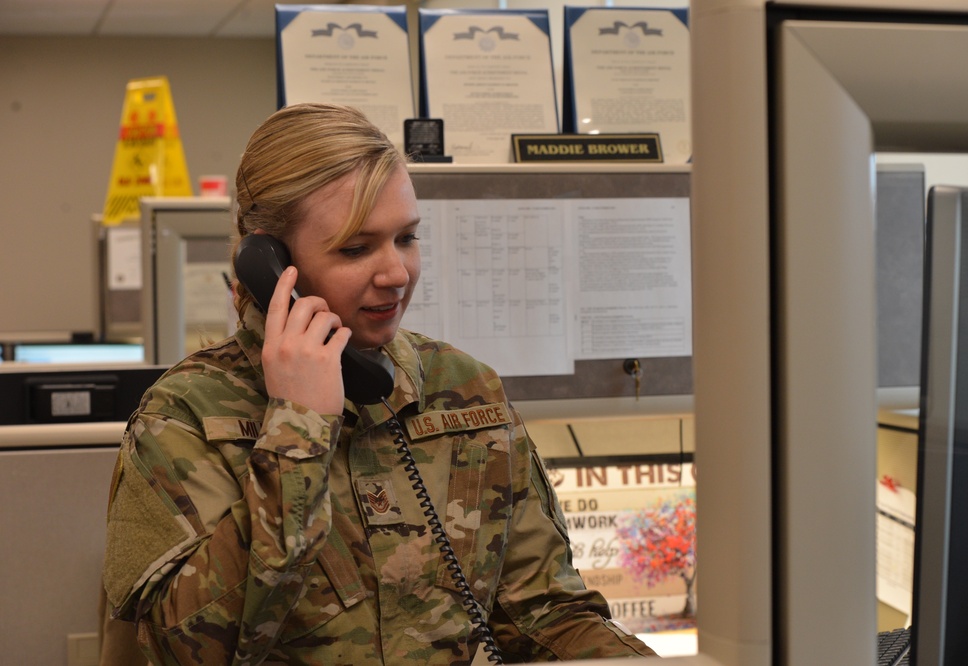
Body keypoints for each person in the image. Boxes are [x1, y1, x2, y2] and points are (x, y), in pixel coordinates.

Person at [103, 103, 657, 665]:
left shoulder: (464, 390)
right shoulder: (184, 415)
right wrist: (298, 431)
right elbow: (183, 651)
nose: (396, 273)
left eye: (407, 238)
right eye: (356, 248)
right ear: (268, 259)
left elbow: (546, 616)